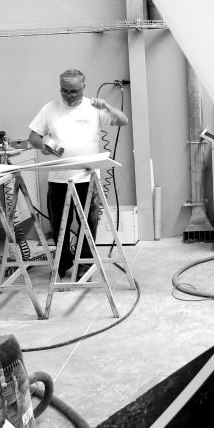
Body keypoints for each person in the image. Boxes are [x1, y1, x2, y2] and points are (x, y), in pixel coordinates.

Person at [28, 69, 128, 277]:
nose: (69, 95)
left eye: (74, 91)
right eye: (65, 91)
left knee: (88, 223)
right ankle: (63, 262)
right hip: (58, 178)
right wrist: (43, 145)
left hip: (87, 177)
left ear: (83, 87)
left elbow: (122, 121)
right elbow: (33, 137)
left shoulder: (93, 107)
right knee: (59, 224)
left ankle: (85, 263)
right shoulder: (50, 108)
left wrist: (107, 107)